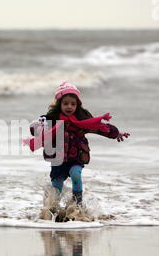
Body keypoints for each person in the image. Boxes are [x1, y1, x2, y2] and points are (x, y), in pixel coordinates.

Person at [24, 81, 129, 210]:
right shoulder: (52, 119)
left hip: (76, 158)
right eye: (65, 103)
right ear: (59, 104)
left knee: (76, 174)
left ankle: (77, 206)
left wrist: (116, 133)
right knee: (56, 185)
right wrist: (38, 127)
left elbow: (99, 127)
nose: (69, 106)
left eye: (73, 104)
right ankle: (52, 210)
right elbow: (35, 128)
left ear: (77, 105)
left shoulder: (82, 120)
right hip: (58, 160)